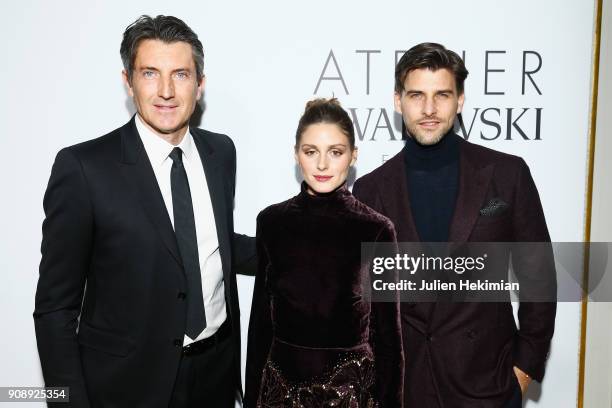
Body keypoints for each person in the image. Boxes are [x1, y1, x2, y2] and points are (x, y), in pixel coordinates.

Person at [34, 15, 254, 407]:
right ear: (128, 81)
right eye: (150, 73)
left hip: (216, 376)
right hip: (127, 387)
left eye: (181, 74)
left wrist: (305, 241)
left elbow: (211, 241)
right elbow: (55, 308)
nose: (166, 90)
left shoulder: (221, 152)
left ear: (200, 84)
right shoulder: (84, 169)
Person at [352, 43, 556, 408]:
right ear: (398, 101)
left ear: (460, 100)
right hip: (404, 388)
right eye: (417, 95)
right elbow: (367, 300)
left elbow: (539, 275)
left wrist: (524, 370)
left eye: (441, 95)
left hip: (486, 385)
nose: (429, 109)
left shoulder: (507, 174)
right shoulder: (371, 188)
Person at [245, 98, 404, 407]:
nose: (321, 165)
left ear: (353, 155)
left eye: (335, 152)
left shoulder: (377, 230)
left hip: (351, 396)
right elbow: (260, 325)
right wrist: (252, 399)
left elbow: (389, 340)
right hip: (280, 393)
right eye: (310, 152)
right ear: (296, 154)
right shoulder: (272, 222)